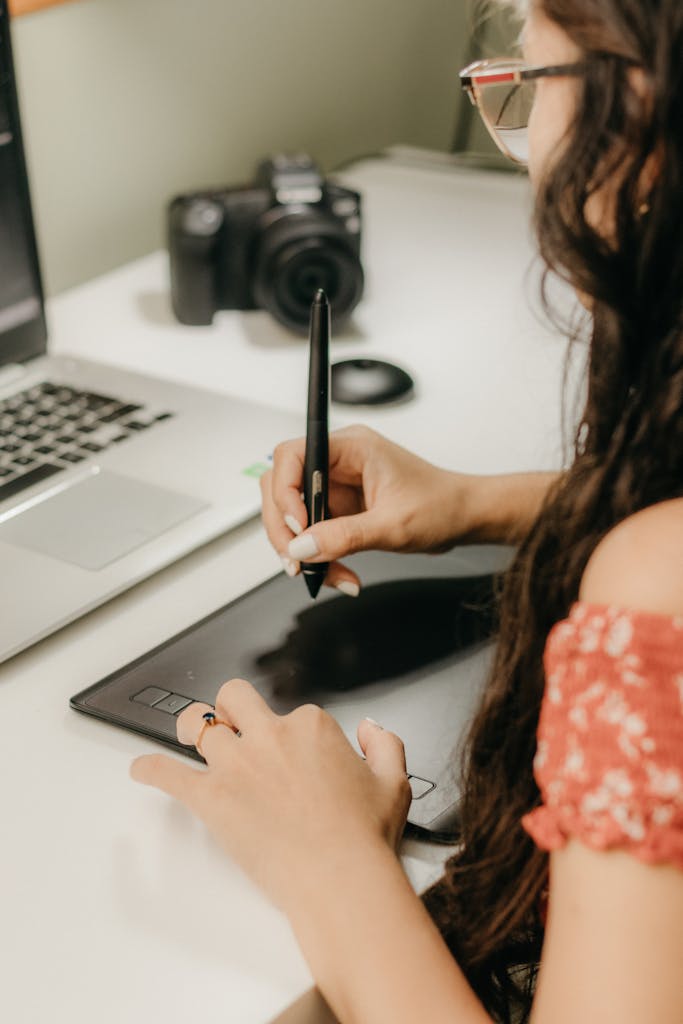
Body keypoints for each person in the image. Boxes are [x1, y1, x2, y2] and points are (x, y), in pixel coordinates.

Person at [131, 0, 683, 1020]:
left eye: (532, 83)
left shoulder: (657, 590)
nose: (526, 156)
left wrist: (331, 861)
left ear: (642, 107)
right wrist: (482, 501)